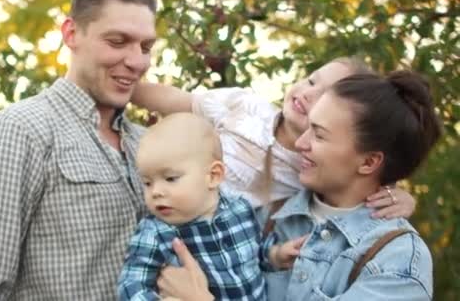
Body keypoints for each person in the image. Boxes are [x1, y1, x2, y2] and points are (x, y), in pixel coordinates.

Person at [0, 0, 157, 300]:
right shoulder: (18, 132)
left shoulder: (148, 143)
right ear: (71, 33)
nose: (137, 61)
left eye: (146, 46)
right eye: (117, 42)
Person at [157, 70, 440, 300]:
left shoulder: (396, 259)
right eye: (308, 128)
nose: (300, 144)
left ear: (368, 163)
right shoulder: (269, 216)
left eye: (319, 135)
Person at [132, 58, 416, 217]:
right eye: (311, 80)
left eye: (324, 96)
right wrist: (126, 91)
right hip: (167, 205)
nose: (307, 93)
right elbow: (176, 99)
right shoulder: (247, 107)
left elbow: (364, 184)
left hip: (223, 243)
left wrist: (403, 199)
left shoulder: (314, 166)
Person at [117, 113, 305, 300]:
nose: (156, 191)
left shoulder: (240, 209)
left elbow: (255, 250)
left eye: (170, 178)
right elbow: (131, 285)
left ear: (213, 175)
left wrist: (275, 255)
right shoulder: (156, 232)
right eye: (147, 183)